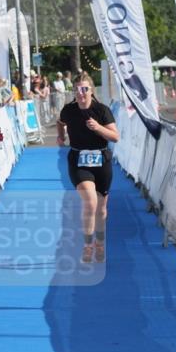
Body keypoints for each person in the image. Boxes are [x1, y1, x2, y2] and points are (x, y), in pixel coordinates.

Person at [56, 73, 120, 264]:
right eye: (76, 90)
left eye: (84, 89)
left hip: (102, 161)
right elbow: (60, 122)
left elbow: (115, 137)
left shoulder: (102, 110)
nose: (81, 93)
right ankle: (87, 245)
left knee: (101, 210)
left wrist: (98, 128)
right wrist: (61, 137)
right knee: (90, 202)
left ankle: (100, 243)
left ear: (91, 90)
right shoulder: (69, 110)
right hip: (78, 161)